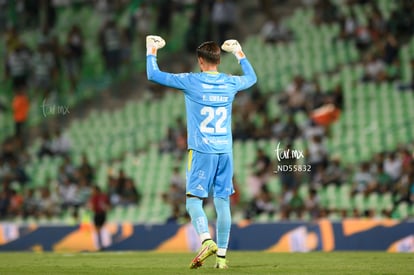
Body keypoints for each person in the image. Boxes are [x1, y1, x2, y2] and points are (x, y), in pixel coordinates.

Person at [146, 35, 257, 269]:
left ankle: (206, 240)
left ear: (200, 61)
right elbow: (252, 78)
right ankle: (222, 260)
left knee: (193, 201)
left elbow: (153, 75)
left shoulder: (191, 81)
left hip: (201, 150)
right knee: (222, 202)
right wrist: (238, 52)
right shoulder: (229, 82)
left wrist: (151, 49)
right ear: (218, 60)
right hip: (225, 151)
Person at [89, 185, 110, 251]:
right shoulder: (104, 196)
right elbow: (108, 205)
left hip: (98, 214)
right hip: (102, 214)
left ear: (97, 190)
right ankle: (102, 245)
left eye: (93, 190)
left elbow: (92, 208)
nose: (92, 192)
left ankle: (100, 245)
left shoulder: (94, 197)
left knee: (98, 230)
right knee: (100, 230)